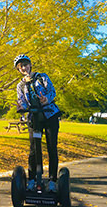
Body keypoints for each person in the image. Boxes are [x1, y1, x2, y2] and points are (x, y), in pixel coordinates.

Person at [14, 54, 61, 192]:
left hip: (49, 115)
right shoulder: (20, 85)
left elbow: (52, 91)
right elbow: (21, 100)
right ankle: (32, 179)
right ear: (19, 69)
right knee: (34, 150)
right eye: (21, 66)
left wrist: (46, 99)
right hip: (34, 118)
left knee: (52, 147)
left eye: (25, 64)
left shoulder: (42, 77)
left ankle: (52, 180)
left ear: (30, 65)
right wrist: (21, 107)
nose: (24, 68)